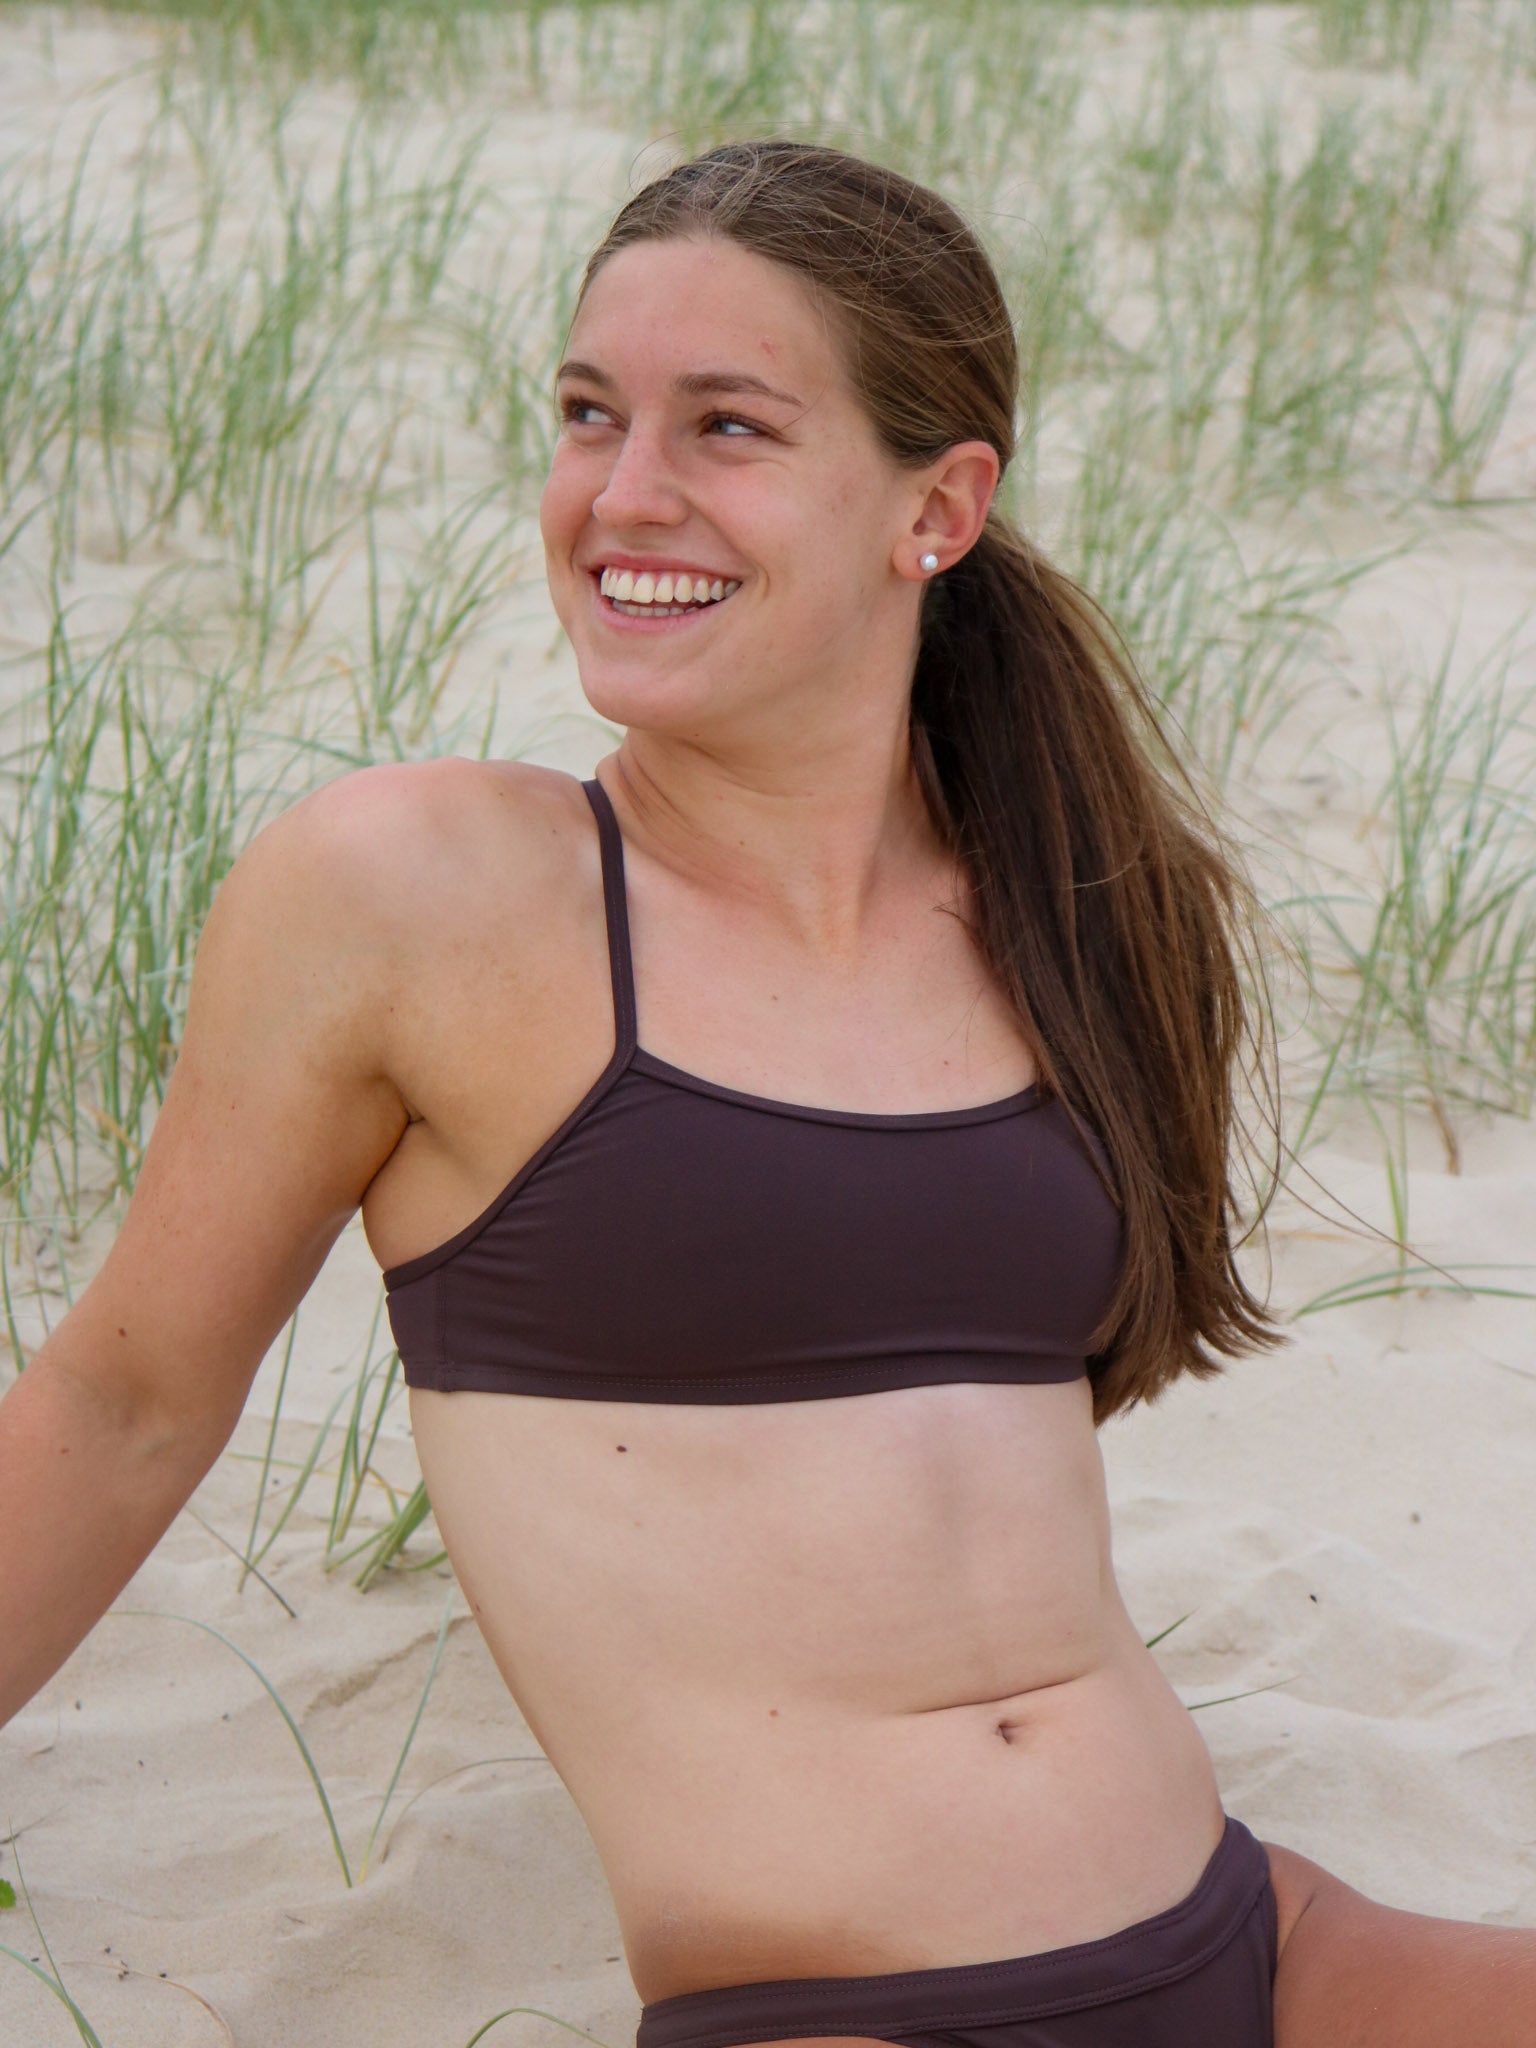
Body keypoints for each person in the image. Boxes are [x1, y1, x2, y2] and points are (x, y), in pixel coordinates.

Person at [1, 138, 1532, 2048]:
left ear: (937, 508)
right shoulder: (420, 894)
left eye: (726, 426)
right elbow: (128, 1402)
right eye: (586, 413)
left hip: (1254, 1947)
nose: (623, 492)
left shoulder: (1073, 902)